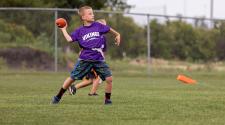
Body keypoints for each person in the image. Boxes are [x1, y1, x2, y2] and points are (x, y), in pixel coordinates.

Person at [51, 5, 121, 105]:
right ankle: (58, 97)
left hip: (98, 59)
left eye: (92, 13)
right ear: (83, 17)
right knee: (72, 78)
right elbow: (69, 39)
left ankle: (107, 100)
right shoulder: (80, 31)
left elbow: (109, 29)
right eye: (90, 13)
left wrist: (118, 35)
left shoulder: (98, 25)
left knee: (109, 79)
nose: (93, 15)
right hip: (85, 59)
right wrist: (63, 29)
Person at [68, 19, 107, 96]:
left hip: (98, 60)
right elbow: (83, 50)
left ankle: (74, 87)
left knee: (89, 80)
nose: (104, 27)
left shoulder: (103, 38)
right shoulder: (92, 36)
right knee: (97, 77)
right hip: (90, 60)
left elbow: (103, 51)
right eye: (102, 26)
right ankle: (92, 93)